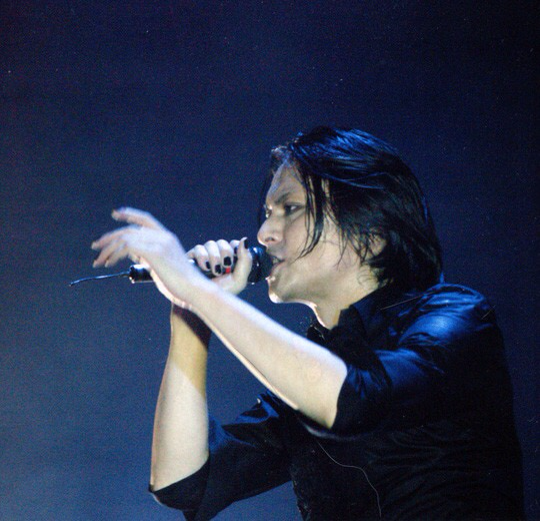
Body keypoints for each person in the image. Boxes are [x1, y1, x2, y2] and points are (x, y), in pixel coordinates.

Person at [92, 127, 524, 520]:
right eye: (267, 212)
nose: (264, 232)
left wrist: (200, 292)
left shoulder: (458, 318)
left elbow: (356, 399)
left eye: (290, 208)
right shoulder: (311, 378)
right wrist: (191, 310)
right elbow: (184, 483)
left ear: (371, 231)